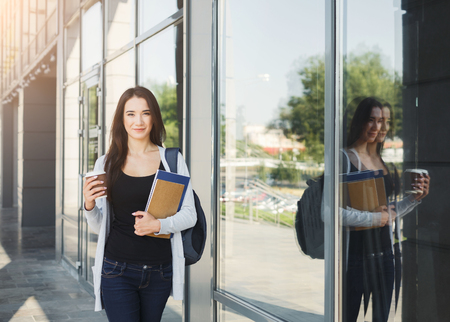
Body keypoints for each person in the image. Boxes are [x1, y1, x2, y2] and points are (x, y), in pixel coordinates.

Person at [83, 86, 196, 321]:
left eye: (145, 113)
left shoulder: (172, 161)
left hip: (160, 271)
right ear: (121, 119)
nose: (139, 121)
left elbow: (189, 214)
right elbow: (100, 226)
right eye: (130, 114)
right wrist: (89, 206)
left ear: (154, 117)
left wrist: (158, 226)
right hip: (117, 269)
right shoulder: (106, 164)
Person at [342, 97, 429, 322]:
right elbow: (329, 213)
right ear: (359, 121)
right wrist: (375, 218)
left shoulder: (383, 161)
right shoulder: (343, 159)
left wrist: (414, 199)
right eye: (371, 119)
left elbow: (387, 214)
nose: (378, 127)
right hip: (355, 259)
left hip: (387, 257)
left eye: (383, 121)